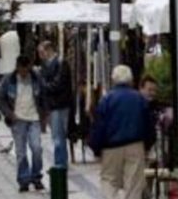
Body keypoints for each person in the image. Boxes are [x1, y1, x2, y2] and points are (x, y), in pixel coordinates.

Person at [89, 65, 154, 199]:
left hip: (111, 148)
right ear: (131, 81)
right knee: (134, 184)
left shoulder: (106, 100)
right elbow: (148, 125)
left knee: (109, 181)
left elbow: (99, 126)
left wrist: (96, 148)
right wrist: (147, 146)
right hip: (135, 146)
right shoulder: (139, 98)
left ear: (113, 80)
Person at [0, 55, 45, 192]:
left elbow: (43, 95)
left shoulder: (36, 78)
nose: (24, 73)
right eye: (22, 71)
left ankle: (36, 176)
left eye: (27, 70)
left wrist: (44, 114)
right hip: (17, 119)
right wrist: (9, 114)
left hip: (34, 118)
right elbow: (1, 99)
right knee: (21, 152)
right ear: (17, 67)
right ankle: (24, 179)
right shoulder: (9, 80)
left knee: (37, 148)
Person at [37, 40, 73, 168]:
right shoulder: (47, 65)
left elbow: (58, 84)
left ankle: (60, 164)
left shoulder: (60, 63)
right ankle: (60, 162)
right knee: (56, 136)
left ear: (49, 50)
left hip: (59, 104)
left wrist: (44, 86)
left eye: (41, 52)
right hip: (53, 105)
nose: (40, 56)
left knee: (58, 136)